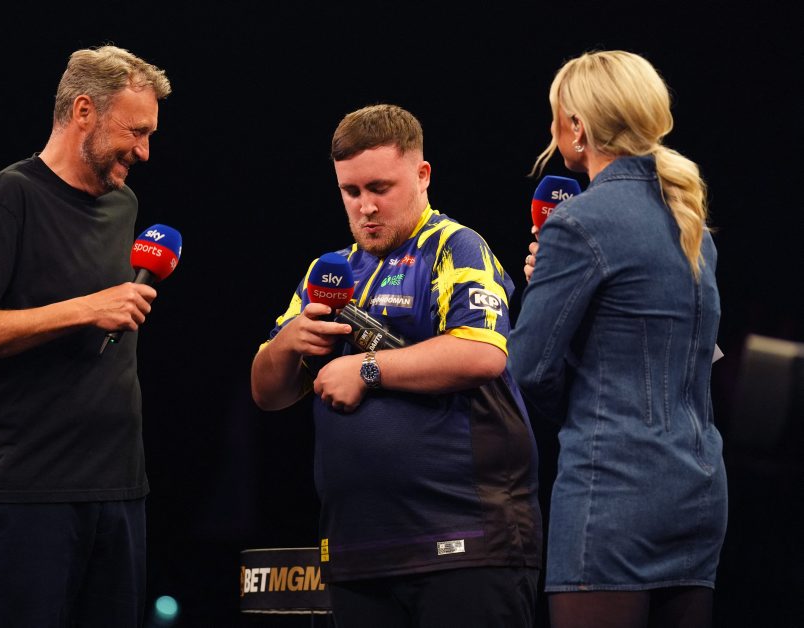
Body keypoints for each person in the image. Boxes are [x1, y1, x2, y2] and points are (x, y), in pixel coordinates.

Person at [251, 104, 542, 627]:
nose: (365, 206)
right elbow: (267, 393)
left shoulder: (456, 246)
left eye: (380, 188)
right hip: (357, 551)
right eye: (351, 191)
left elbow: (481, 353)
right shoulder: (329, 271)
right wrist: (288, 343)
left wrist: (366, 369)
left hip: (465, 545)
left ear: (422, 174)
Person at [0, 45, 171, 627]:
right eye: (135, 132)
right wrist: (84, 309)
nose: (144, 151)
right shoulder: (8, 197)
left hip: (118, 489)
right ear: (84, 111)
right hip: (25, 494)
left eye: (149, 134)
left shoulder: (124, 204)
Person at [508, 50, 727, 628]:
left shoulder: (579, 222)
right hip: (699, 490)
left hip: (613, 494)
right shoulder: (692, 226)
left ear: (578, 128)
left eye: (557, 117)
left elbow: (527, 369)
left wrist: (589, 408)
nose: (553, 130)